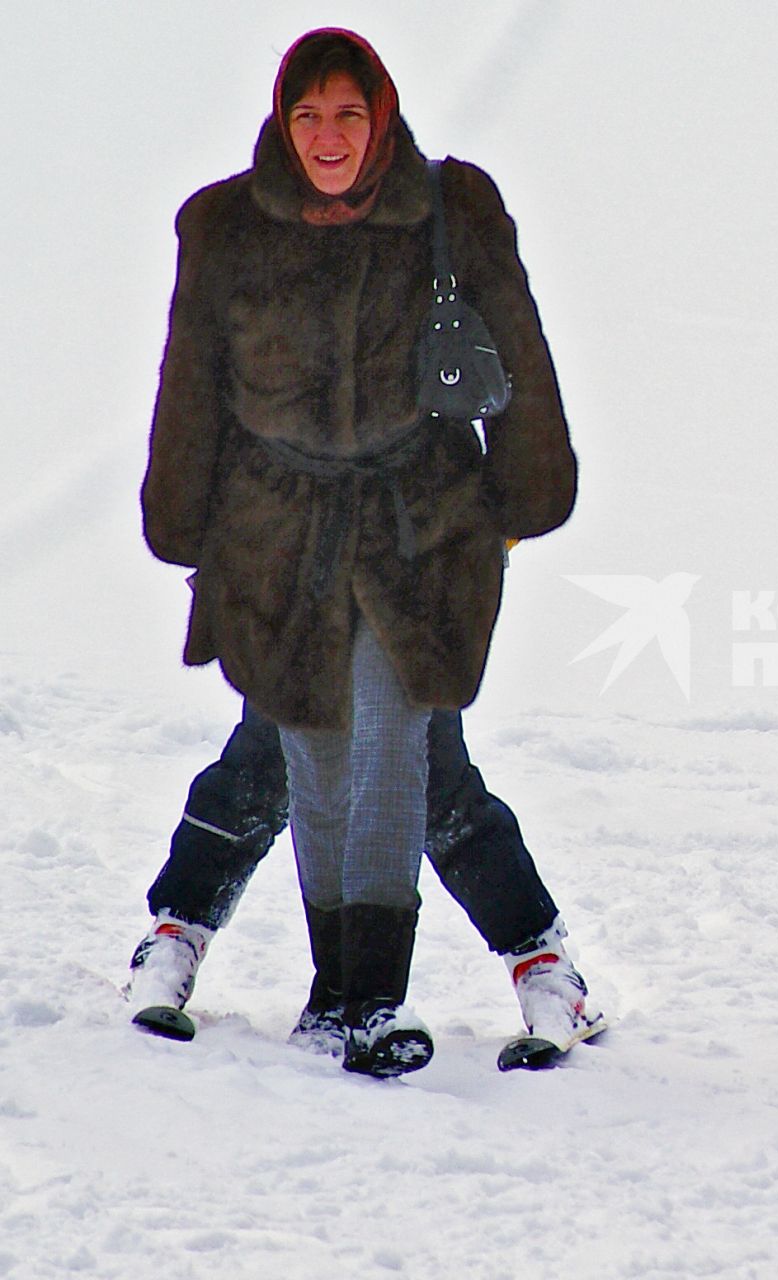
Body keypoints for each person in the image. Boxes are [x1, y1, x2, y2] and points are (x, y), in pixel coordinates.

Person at [140, 29, 578, 1073]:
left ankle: (361, 993)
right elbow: (190, 379)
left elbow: (516, 346)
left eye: (349, 113)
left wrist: (520, 500)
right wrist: (189, 526)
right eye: (308, 115)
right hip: (275, 534)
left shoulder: (446, 208)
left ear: (380, 115)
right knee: (325, 758)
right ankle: (217, 949)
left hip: (417, 525)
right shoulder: (227, 228)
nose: (329, 136)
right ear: (282, 125)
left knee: (389, 748)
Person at [124, 702, 603, 1059]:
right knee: (267, 755)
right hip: (294, 581)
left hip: (414, 582)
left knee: (431, 770)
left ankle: (543, 966)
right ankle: (176, 936)